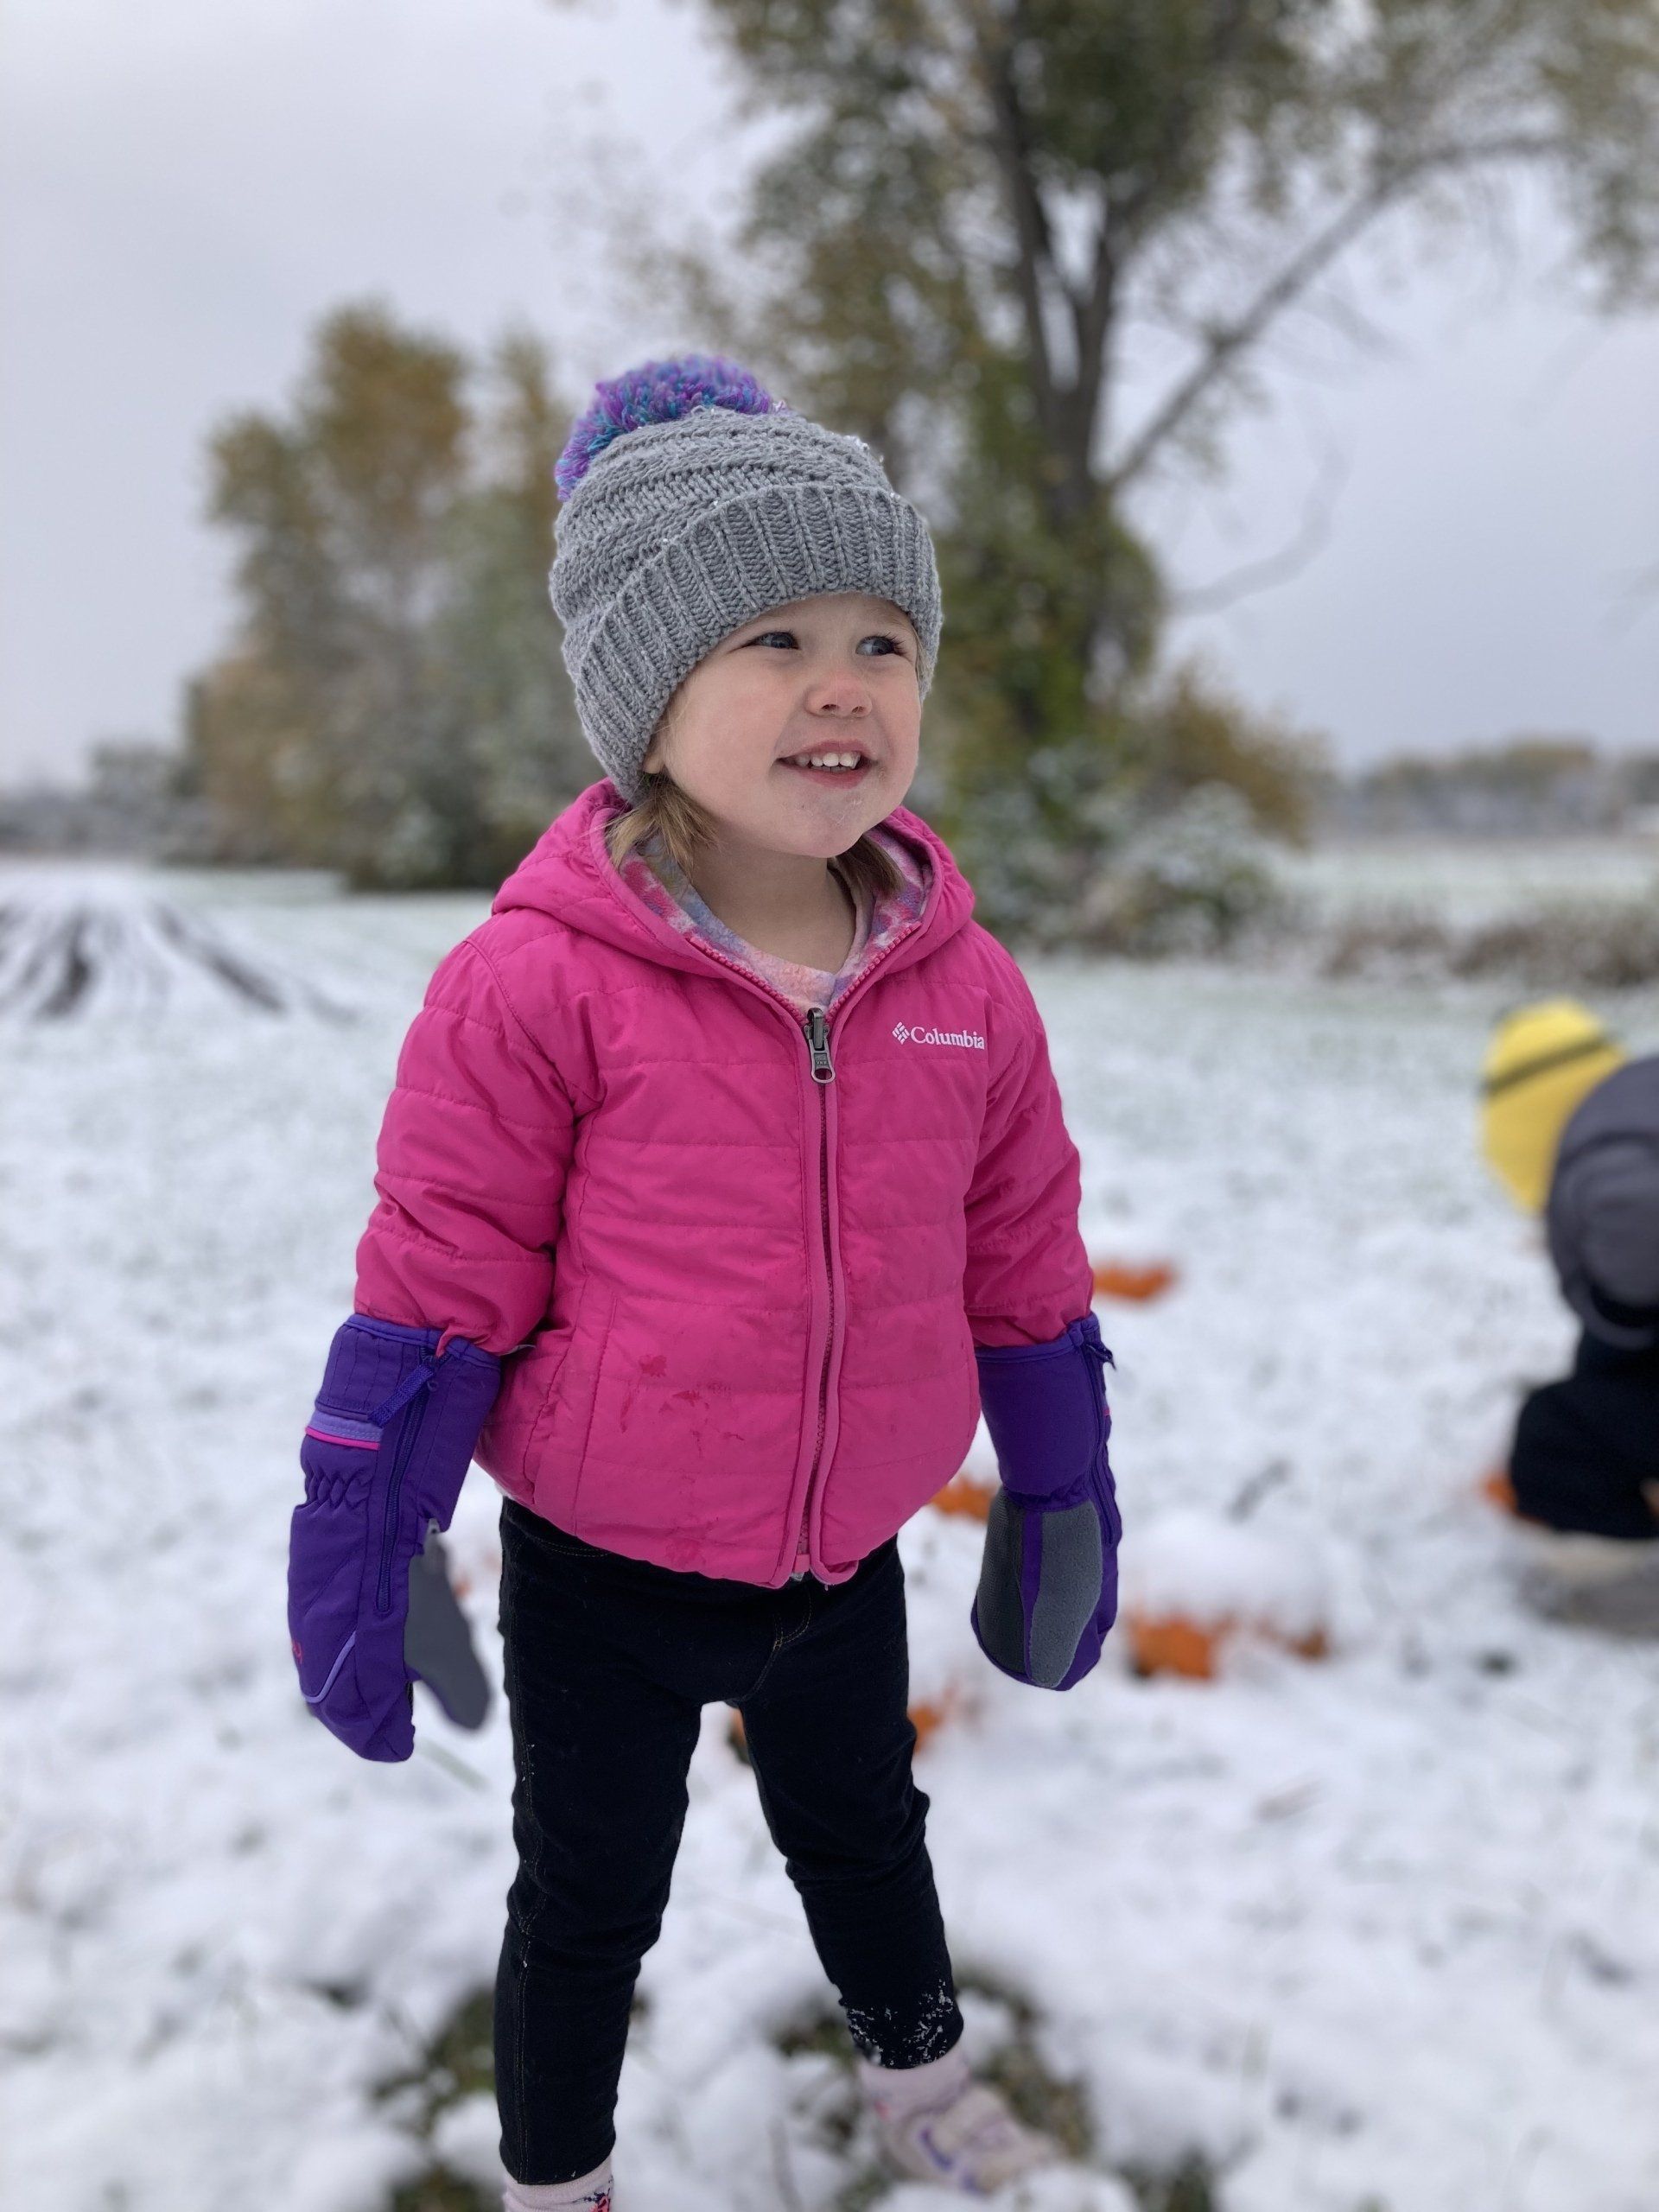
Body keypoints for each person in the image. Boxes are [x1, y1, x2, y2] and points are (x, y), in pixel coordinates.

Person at [285, 354, 1122, 2210]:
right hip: (604, 1568)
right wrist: (372, 1524)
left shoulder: (961, 984)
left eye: (883, 637)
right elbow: (443, 1274)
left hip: (840, 1562)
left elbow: (1025, 1243)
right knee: (586, 1894)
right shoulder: (540, 984)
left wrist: (1059, 1471)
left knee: (870, 1838)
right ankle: (557, 2173)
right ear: (647, 701)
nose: (844, 682)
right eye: (771, 637)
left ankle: (920, 2073)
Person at [1481, 998, 1659, 1563]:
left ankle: (1625, 1581)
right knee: (1604, 1369)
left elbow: (1634, 1283)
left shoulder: (1615, 1170)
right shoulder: (1640, 1113)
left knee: (1553, 1438)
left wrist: (1614, 1294)